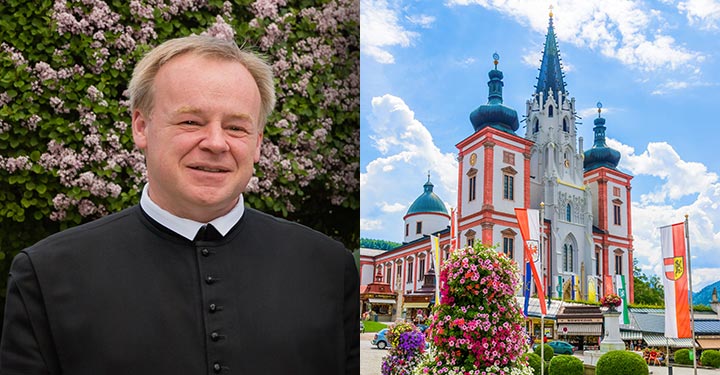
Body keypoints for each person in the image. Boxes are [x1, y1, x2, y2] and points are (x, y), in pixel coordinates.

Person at [0, 35, 359, 375]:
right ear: (141, 127)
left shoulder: (328, 267)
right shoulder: (47, 274)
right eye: (191, 121)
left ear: (258, 143)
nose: (217, 143)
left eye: (236, 127)